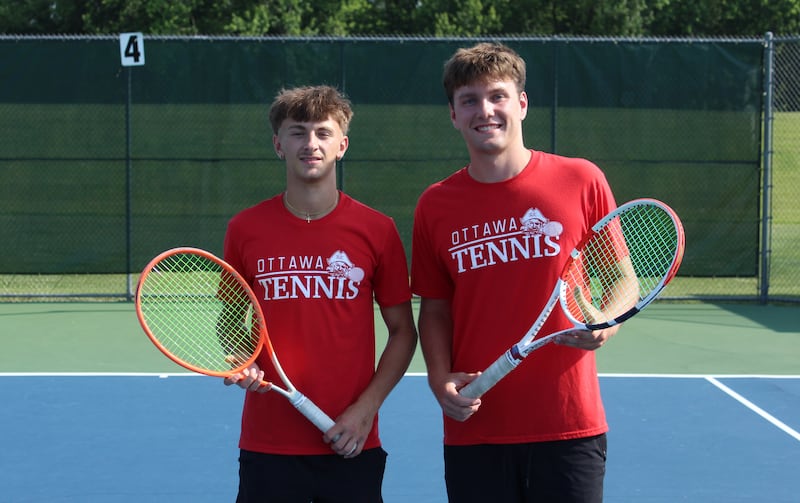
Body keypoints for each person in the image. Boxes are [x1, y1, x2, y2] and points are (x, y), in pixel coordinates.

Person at [411, 42, 624, 502]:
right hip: (476, 427)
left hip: (569, 426)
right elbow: (435, 306)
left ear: (522, 104)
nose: (484, 110)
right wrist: (438, 376)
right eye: (469, 100)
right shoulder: (435, 205)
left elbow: (623, 280)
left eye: (497, 96)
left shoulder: (581, 179)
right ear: (453, 114)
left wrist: (607, 321)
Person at [223, 85, 417, 503]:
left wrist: (365, 411)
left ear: (342, 145)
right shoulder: (245, 229)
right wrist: (243, 361)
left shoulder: (377, 230)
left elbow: (403, 332)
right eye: (297, 132)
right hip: (267, 445)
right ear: (278, 145)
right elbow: (230, 322)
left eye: (323, 133)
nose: (310, 143)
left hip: (350, 439)